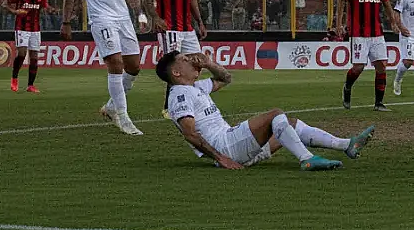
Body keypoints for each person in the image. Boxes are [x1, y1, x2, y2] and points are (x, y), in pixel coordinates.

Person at [156, 52, 374, 171]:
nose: (190, 59)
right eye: (184, 60)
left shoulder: (195, 87)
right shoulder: (179, 95)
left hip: (232, 146)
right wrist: (221, 158)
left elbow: (226, 78)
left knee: (290, 122)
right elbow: (190, 133)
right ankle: (307, 159)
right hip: (226, 146)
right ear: (176, 72)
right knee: (275, 114)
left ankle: (346, 145)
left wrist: (209, 63)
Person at [61, 0, 144, 135]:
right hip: (101, 18)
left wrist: (140, 13)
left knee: (134, 66)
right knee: (115, 64)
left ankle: (110, 107)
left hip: (123, 18)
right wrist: (66, 21)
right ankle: (123, 116)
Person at [143, 0, 208, 118]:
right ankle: (168, 107)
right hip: (169, 28)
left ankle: (190, 100)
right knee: (175, 68)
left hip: (188, 28)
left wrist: (200, 22)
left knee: (197, 63)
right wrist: (155, 18)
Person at [335, 0, 404, 112]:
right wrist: (339, 23)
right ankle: (347, 87)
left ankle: (378, 103)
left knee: (381, 66)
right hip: (358, 33)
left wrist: (393, 22)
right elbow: (342, 1)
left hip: (377, 32)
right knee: (358, 67)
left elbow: (386, 4)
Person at [8, 0, 49, 93]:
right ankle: (14, 78)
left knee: (34, 56)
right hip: (21, 27)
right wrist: (15, 12)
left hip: (35, 29)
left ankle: (30, 85)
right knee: (22, 53)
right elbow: (6, 4)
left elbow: (43, 8)